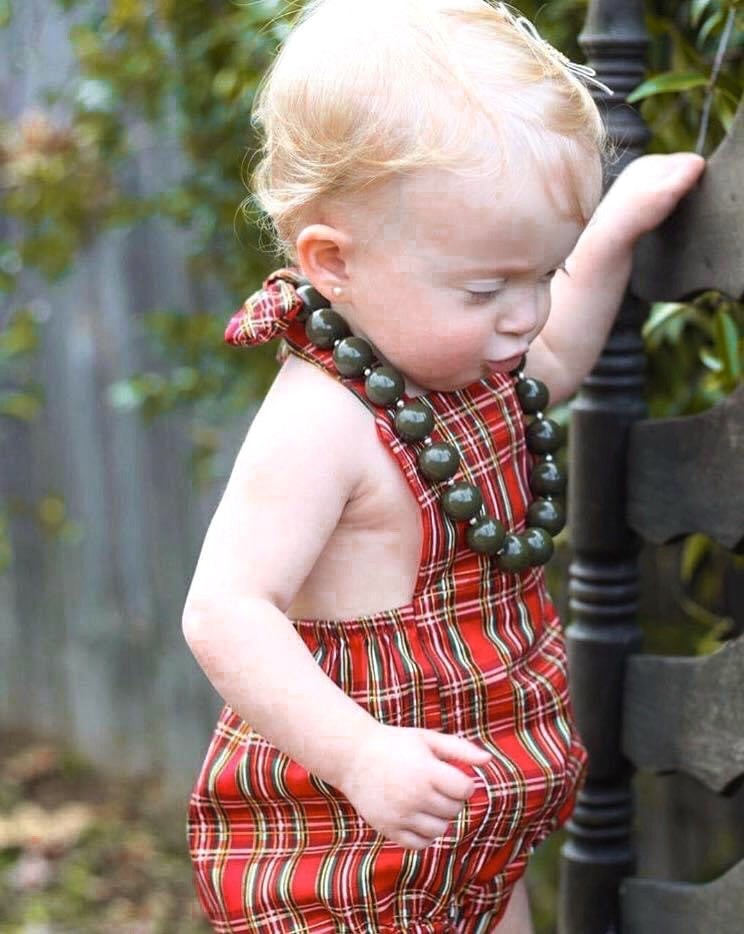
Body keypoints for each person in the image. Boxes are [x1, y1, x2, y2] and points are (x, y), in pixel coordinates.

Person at [182, 1, 706, 931]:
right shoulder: (323, 419)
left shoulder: (469, 375)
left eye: (541, 275)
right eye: (486, 287)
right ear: (333, 261)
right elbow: (224, 610)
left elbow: (557, 364)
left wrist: (613, 229)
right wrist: (358, 756)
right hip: (351, 838)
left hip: (472, 823)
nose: (525, 315)